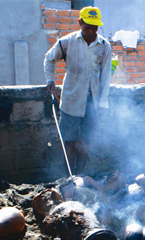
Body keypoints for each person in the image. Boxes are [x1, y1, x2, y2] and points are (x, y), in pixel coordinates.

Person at [44, 6, 112, 175]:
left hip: (92, 103)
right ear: (80, 23)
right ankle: (69, 177)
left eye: (94, 27)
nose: (91, 31)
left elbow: (106, 78)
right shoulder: (67, 42)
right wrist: (50, 81)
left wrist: (103, 103)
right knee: (69, 142)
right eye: (87, 26)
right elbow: (49, 59)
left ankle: (80, 176)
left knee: (85, 142)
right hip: (71, 101)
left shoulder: (104, 45)